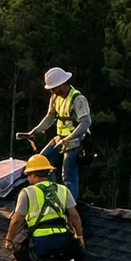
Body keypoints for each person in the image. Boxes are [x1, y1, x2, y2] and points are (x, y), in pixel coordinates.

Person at [4, 154, 85, 261]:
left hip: (41, 241)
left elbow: (17, 220)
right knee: (69, 253)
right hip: (62, 237)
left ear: (34, 175)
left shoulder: (27, 192)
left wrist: (9, 239)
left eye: (28, 175)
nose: (28, 179)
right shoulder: (63, 190)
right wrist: (80, 236)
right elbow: (75, 217)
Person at [16, 66, 91, 199]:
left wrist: (67, 140)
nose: (53, 91)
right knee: (43, 161)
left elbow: (85, 123)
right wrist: (35, 130)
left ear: (62, 84)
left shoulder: (78, 99)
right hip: (60, 138)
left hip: (75, 140)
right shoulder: (55, 98)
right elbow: (50, 116)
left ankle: (70, 203)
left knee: (68, 172)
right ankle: (50, 195)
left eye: (54, 88)